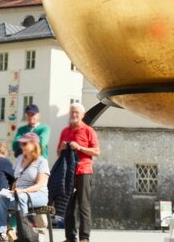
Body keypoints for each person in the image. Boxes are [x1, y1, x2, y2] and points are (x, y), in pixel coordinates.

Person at [0, 132, 50, 242]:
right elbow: (16, 179)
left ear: (34, 144)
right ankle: (1, 234)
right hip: (19, 193)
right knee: (1, 199)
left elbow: (40, 184)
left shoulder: (42, 161)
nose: (21, 146)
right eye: (21, 144)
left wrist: (23, 191)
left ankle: (23, 233)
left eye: (25, 144)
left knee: (21, 198)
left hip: (38, 194)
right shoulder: (19, 160)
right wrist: (11, 191)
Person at [58, 102, 100, 242]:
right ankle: (70, 237)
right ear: (69, 114)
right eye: (72, 112)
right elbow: (58, 153)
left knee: (83, 205)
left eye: (77, 112)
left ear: (82, 115)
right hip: (68, 173)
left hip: (84, 170)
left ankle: (84, 237)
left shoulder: (88, 130)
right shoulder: (65, 131)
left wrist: (80, 148)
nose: (74, 115)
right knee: (68, 206)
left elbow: (96, 151)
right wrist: (63, 148)